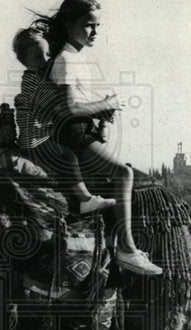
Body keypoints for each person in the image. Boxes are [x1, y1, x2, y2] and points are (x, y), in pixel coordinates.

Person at [31, 0, 162, 276]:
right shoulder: (66, 59)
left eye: (97, 26)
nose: (94, 31)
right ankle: (127, 249)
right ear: (69, 26)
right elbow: (69, 108)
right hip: (73, 135)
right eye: (89, 25)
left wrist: (99, 112)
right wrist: (107, 104)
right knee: (123, 175)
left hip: (80, 129)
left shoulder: (75, 57)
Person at [11, 27, 114, 216]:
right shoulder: (34, 83)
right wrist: (99, 108)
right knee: (67, 157)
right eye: (37, 57)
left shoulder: (42, 80)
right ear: (24, 61)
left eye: (48, 54)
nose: (45, 61)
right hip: (35, 140)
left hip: (43, 135)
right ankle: (84, 199)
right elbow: (62, 107)